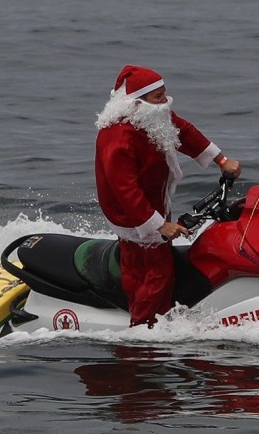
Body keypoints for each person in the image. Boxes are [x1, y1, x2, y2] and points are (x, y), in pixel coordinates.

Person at [94, 65, 242, 326]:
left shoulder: (150, 116)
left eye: (164, 94)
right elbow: (125, 191)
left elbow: (183, 131)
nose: (165, 101)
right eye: (158, 97)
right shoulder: (118, 139)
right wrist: (160, 225)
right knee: (154, 271)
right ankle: (145, 330)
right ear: (137, 102)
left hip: (155, 202)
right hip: (134, 215)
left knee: (159, 258)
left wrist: (221, 159)